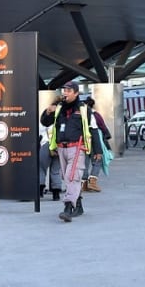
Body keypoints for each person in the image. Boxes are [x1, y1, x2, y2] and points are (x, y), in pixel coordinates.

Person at [40, 82, 103, 222]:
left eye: (69, 91)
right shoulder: (59, 108)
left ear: (76, 93)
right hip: (61, 148)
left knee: (72, 176)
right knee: (67, 177)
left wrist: (97, 150)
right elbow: (45, 122)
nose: (65, 93)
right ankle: (78, 205)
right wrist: (47, 112)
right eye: (64, 90)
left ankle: (68, 207)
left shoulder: (84, 109)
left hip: (77, 147)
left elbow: (93, 129)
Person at [82, 95, 112, 194]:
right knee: (97, 160)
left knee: (85, 162)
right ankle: (92, 182)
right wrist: (107, 136)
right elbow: (102, 126)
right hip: (93, 140)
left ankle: (83, 184)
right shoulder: (95, 115)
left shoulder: (80, 115)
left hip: (82, 141)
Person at [38, 115, 62, 202]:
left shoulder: (43, 122)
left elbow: (39, 135)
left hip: (46, 145)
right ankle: (56, 194)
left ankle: (40, 191)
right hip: (58, 146)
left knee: (41, 169)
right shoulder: (61, 121)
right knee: (56, 171)